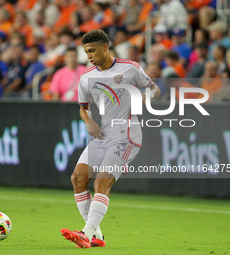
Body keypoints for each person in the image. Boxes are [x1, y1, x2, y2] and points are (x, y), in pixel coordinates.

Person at [60, 29, 161, 248]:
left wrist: (143, 99)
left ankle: (86, 234)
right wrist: (89, 121)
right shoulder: (86, 77)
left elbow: (155, 89)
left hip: (126, 135)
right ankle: (96, 235)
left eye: (92, 50)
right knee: (78, 178)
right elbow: (83, 109)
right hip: (102, 135)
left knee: (101, 181)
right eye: (86, 52)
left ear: (105, 47)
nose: (88, 56)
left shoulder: (130, 68)